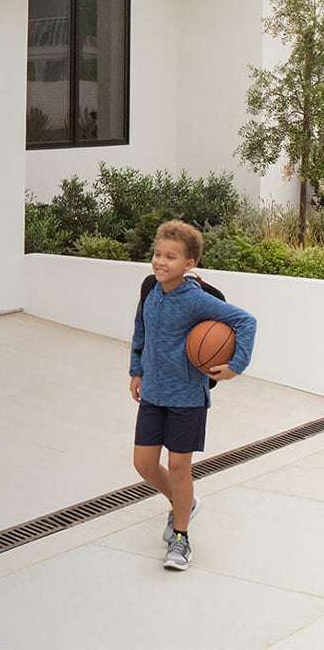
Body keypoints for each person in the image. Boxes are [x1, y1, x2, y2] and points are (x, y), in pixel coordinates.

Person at [129, 220, 256, 571]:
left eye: (171, 257)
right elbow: (140, 330)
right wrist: (135, 369)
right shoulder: (150, 290)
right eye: (157, 253)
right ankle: (184, 502)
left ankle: (181, 538)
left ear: (189, 264)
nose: (160, 262)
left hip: (187, 398)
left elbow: (246, 321)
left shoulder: (196, 299)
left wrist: (235, 366)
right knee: (142, 463)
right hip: (153, 393)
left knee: (179, 466)